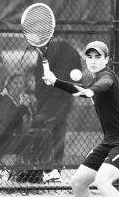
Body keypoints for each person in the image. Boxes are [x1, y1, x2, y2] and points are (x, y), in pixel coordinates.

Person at [42, 41, 119, 197]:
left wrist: (91, 91)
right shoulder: (94, 81)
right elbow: (83, 90)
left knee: (102, 181)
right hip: (110, 142)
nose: (93, 60)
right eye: (89, 57)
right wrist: (55, 81)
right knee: (78, 183)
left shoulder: (107, 76)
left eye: (98, 56)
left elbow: (103, 85)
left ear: (106, 59)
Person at [33, 40, 82, 182]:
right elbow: (39, 77)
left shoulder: (69, 51)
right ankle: (48, 171)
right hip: (56, 101)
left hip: (57, 101)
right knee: (49, 134)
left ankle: (50, 171)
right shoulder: (45, 52)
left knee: (51, 134)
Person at [0, 73, 32, 156]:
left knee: (44, 133)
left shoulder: (24, 99)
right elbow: (10, 122)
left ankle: (44, 163)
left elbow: (30, 118)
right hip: (2, 137)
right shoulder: (1, 99)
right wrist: (23, 106)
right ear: (8, 85)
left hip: (19, 133)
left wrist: (30, 108)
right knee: (27, 139)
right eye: (15, 83)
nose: (19, 86)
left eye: (21, 83)